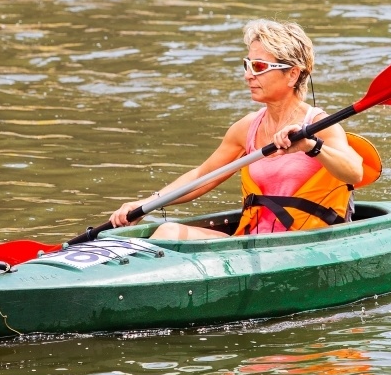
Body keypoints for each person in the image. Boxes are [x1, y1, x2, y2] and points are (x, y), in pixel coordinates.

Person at [109, 19, 366, 240]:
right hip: (251, 243)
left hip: (304, 245)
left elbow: (354, 172)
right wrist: (145, 205)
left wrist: (311, 146)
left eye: (260, 67)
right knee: (167, 232)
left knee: (167, 235)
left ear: (292, 75)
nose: (248, 75)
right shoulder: (247, 128)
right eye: (247, 64)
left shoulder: (321, 126)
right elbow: (203, 175)